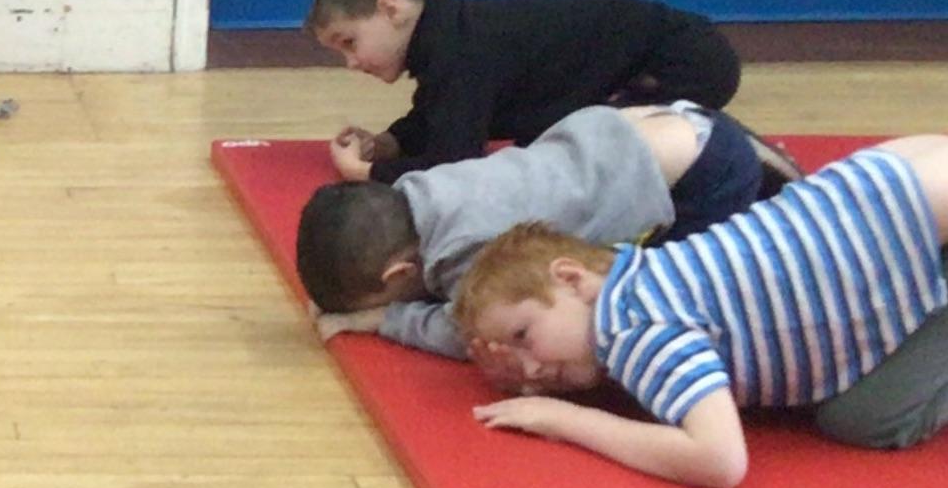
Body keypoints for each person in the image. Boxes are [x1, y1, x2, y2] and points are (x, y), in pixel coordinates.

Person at [448, 133, 948, 488]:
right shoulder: (644, 265)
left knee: (863, 419)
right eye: (522, 366)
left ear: (573, 279)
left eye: (524, 335)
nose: (533, 367)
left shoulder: (633, 330)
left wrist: (562, 419)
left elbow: (720, 461)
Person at [296, 102, 788, 360]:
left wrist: (385, 319)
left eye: (385, 295)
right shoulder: (421, 190)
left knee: (674, 291)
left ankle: (760, 188)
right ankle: (740, 153)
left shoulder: (466, 247)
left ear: (400, 272)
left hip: (698, 178)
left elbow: (474, 330)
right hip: (639, 126)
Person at [308, 0, 748, 185]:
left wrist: (367, 173)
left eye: (350, 43)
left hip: (686, 64)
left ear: (392, 9)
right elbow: (439, 114)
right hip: (677, 54)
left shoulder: (460, 51)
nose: (351, 63)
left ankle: (737, 162)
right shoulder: (449, 37)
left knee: (584, 161)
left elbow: (455, 165)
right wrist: (390, 142)